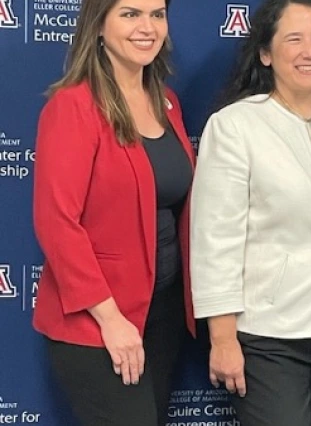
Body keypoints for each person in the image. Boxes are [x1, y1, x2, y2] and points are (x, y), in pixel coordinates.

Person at [189, 1, 311, 425]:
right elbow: (215, 239)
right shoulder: (235, 126)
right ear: (265, 53)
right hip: (270, 332)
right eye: (294, 39)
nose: (310, 51)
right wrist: (222, 337)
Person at [32, 0, 196, 425]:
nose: (147, 27)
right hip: (98, 323)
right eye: (130, 14)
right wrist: (110, 319)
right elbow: (57, 223)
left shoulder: (167, 104)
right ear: (99, 26)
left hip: (162, 316)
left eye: (157, 14)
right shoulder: (73, 106)